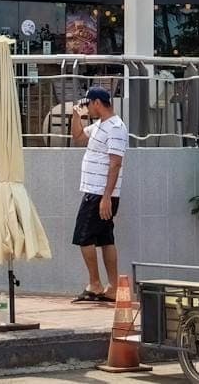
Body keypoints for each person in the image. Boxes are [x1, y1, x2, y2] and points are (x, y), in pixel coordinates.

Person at [69, 85, 127, 303]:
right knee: (105, 238)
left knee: (84, 237)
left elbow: (115, 164)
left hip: (98, 194)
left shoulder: (115, 128)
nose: (88, 109)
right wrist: (76, 115)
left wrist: (105, 197)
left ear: (97, 103)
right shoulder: (100, 126)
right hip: (98, 193)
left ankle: (95, 284)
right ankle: (112, 288)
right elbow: (77, 137)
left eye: (88, 104)